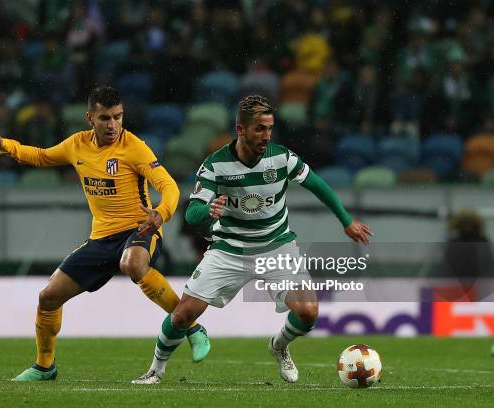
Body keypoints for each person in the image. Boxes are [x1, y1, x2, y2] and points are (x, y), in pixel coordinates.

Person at [0, 86, 209, 381]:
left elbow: (168, 185)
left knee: (133, 265)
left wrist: (160, 215)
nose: (113, 125)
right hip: (101, 239)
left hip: (140, 228)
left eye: (118, 117)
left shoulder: (134, 147)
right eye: (105, 118)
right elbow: (41, 157)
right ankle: (45, 367)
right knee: (48, 297)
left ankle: (191, 327)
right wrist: (2, 144)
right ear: (90, 118)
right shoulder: (77, 145)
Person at [132, 95, 372, 384]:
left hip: (277, 245)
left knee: (308, 311)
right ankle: (155, 370)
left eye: (270, 128)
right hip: (229, 249)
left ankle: (279, 346)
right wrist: (208, 210)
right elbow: (192, 214)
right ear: (240, 129)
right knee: (183, 315)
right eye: (259, 128)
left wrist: (346, 220)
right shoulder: (216, 165)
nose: (266, 136)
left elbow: (317, 184)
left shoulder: (281, 157)